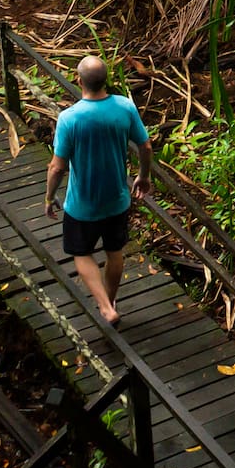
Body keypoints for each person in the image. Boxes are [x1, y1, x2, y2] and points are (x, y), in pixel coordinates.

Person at [44, 55, 152, 326]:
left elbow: (57, 168)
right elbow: (145, 146)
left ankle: (105, 307)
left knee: (81, 254)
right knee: (114, 252)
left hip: (83, 205)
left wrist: (48, 197)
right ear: (107, 80)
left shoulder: (70, 118)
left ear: (78, 80)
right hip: (117, 200)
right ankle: (112, 300)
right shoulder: (125, 107)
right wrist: (143, 176)